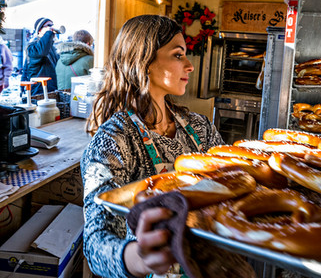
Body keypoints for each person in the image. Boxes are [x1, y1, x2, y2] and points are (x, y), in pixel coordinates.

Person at [81, 15, 224, 277]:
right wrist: (140, 258)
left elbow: (229, 190)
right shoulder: (114, 140)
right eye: (178, 55)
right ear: (144, 62)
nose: (190, 66)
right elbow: (95, 243)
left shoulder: (200, 129)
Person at [21, 17, 59, 95]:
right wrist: (48, 33)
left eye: (52, 25)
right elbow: (41, 52)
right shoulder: (32, 47)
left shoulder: (52, 48)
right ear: (39, 30)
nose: (51, 28)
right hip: (38, 90)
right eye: (48, 26)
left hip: (51, 89)